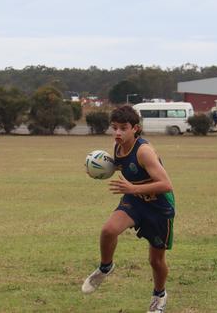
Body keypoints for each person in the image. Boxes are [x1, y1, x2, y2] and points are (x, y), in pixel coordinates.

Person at [81, 105, 176, 313]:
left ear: (135, 128)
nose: (117, 133)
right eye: (114, 127)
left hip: (159, 206)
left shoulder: (144, 151)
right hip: (135, 201)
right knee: (108, 230)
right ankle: (105, 267)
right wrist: (98, 170)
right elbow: (121, 165)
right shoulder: (117, 146)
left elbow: (166, 184)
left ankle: (159, 296)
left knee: (156, 260)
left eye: (123, 128)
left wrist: (133, 188)